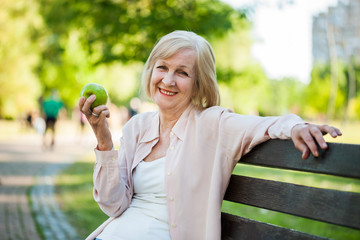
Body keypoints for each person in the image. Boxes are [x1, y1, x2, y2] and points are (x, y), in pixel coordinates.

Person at [79, 31, 342, 240]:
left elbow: (262, 124)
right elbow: (113, 205)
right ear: (151, 71)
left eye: (182, 72)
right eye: (162, 67)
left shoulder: (213, 124)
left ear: (199, 83)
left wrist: (296, 127)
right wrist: (103, 140)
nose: (168, 80)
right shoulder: (137, 127)